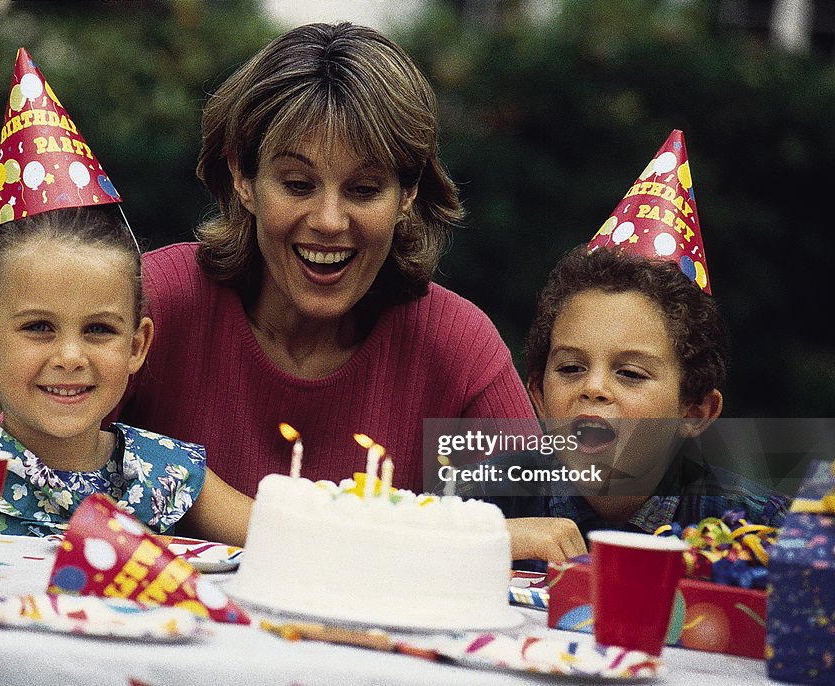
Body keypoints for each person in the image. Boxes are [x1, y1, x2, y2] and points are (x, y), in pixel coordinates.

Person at [111, 22, 584, 563]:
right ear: (243, 177)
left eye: (363, 190)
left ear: (407, 194)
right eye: (298, 184)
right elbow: (38, 475)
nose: (331, 221)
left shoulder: (456, 351)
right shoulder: (157, 305)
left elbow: (545, 548)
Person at [0, 48, 250, 545]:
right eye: (38, 327)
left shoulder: (166, 475)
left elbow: (287, 545)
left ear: (137, 345)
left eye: (98, 329)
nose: (70, 357)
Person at [463, 131, 789, 550]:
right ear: (539, 397)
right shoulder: (483, 506)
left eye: (631, 373)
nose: (594, 388)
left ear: (694, 411)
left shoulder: (760, 530)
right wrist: (480, 541)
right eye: (571, 368)